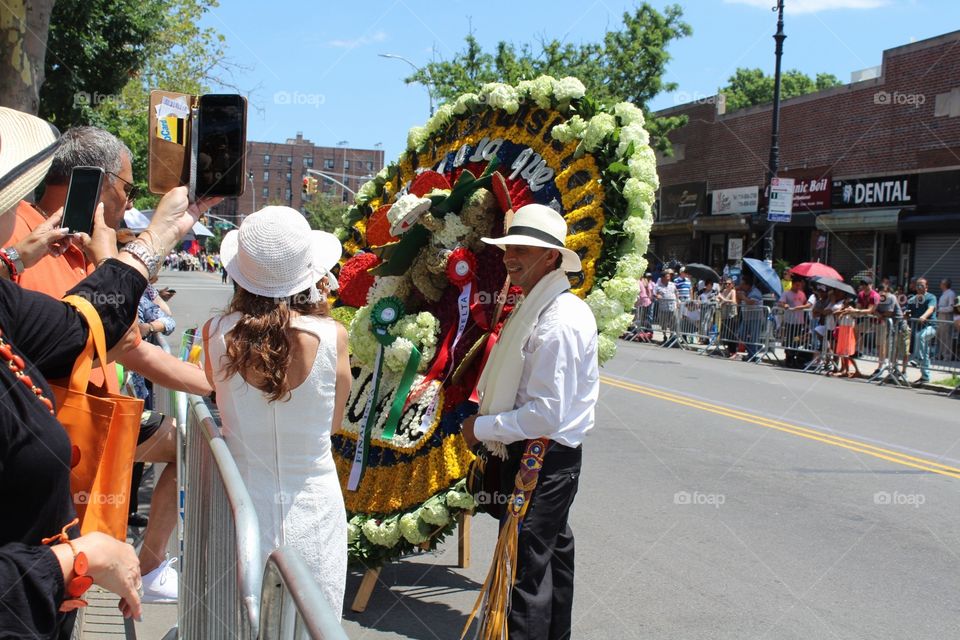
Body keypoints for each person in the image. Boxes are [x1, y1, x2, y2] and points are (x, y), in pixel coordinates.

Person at [0, 106, 212, 637]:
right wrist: (75, 561)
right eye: (128, 187)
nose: (131, 201)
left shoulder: (43, 245)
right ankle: (156, 561)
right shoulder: (37, 241)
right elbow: (95, 338)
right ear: (93, 183)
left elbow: (86, 328)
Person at [201, 206, 350, 618]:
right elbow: (333, 423)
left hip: (242, 507)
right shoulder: (333, 336)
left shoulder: (214, 334)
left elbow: (218, 394)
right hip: (314, 504)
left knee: (238, 619)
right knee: (314, 617)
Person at [460, 203, 598, 639]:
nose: (510, 258)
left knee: (522, 570)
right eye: (507, 249)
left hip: (542, 457)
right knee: (549, 556)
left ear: (551, 257)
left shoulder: (556, 320)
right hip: (547, 457)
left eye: (523, 249)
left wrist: (480, 428)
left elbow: (546, 413)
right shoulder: (545, 307)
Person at [905, 278, 938, 385]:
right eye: (918, 285)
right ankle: (925, 377)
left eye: (921, 285)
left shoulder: (931, 297)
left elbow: (931, 309)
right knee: (925, 352)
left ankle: (917, 358)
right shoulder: (913, 299)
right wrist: (906, 314)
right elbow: (907, 310)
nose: (919, 287)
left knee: (921, 336)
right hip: (918, 328)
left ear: (926, 287)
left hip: (931, 327)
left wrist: (923, 316)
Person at [778, 277, 808, 368]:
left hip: (799, 322)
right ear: (793, 284)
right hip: (790, 321)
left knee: (797, 339)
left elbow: (805, 303)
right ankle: (788, 357)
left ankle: (794, 356)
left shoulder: (802, 294)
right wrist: (785, 305)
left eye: (800, 285)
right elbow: (780, 303)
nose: (798, 287)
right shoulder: (786, 293)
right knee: (789, 339)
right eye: (797, 285)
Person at [936, 279, 957, 361]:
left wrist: (940, 309)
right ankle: (940, 354)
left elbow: (951, 308)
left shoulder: (951, 294)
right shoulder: (944, 294)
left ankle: (946, 356)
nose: (940, 284)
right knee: (940, 336)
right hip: (940, 316)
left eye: (941, 283)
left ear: (945, 284)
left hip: (946, 317)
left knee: (946, 337)